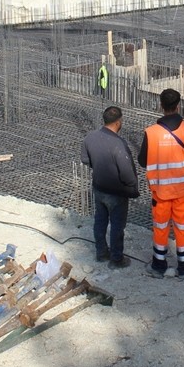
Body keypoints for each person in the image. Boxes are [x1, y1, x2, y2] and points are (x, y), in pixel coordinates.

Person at [138, 88, 184, 278]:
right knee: (182, 227)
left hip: (160, 190)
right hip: (183, 190)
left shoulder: (151, 132)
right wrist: (183, 163)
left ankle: (158, 265)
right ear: (178, 105)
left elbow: (143, 161)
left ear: (161, 105)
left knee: (160, 227)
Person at [80, 105, 139, 269]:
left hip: (98, 188)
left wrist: (100, 167)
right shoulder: (118, 144)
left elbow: (85, 160)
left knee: (100, 221)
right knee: (117, 226)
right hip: (116, 193)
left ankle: (101, 253)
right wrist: (132, 186)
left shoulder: (90, 138)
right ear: (118, 122)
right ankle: (116, 259)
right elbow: (127, 173)